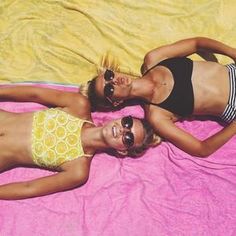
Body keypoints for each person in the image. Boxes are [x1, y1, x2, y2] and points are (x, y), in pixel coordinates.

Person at [82, 37, 236, 157]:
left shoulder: (154, 58)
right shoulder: (157, 116)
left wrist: (232, 52)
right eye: (109, 89)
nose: (114, 80)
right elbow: (201, 149)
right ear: (116, 102)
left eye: (109, 75)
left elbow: (197, 43)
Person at [0, 86, 157, 200]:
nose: (123, 130)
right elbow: (34, 94)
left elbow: (30, 188)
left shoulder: (78, 170)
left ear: (122, 151)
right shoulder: (78, 105)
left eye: (128, 138)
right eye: (127, 122)